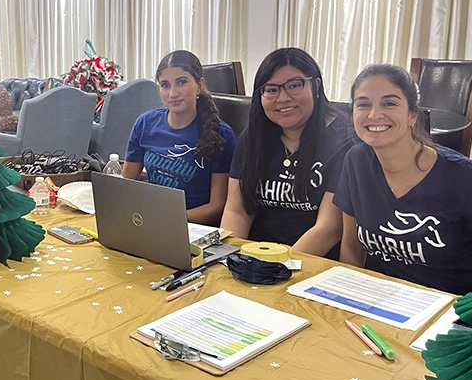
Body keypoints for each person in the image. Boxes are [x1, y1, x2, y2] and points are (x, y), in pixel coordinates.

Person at [333, 64, 472, 295]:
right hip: (380, 306)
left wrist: (469, 320)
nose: (374, 114)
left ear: (412, 116)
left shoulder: (468, 178)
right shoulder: (356, 161)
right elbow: (352, 247)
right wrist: (348, 300)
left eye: (389, 103)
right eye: (363, 104)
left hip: (451, 311)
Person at [221, 47, 352, 256]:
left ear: (316, 86)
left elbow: (329, 228)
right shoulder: (253, 136)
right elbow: (237, 210)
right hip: (256, 256)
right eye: (271, 89)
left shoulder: (343, 139)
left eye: (294, 85)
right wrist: (229, 259)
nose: (283, 98)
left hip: (313, 260)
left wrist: (277, 266)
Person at [122, 50, 236, 225]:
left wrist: (172, 220)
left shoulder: (221, 134)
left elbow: (217, 206)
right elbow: (126, 186)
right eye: (165, 85)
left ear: (199, 85)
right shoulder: (145, 123)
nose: (173, 93)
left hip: (193, 228)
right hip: (150, 222)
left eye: (181, 82)